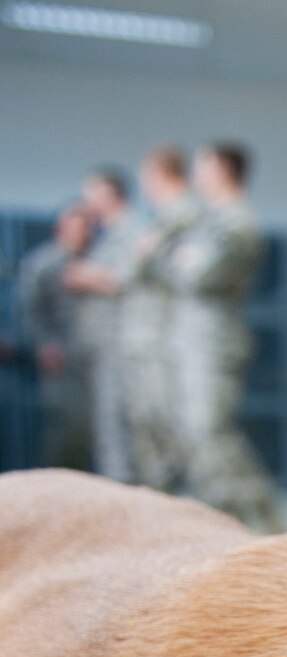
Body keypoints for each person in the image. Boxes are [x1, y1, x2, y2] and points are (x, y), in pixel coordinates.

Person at [172, 141, 280, 531]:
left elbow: (199, 276)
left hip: (214, 344)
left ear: (220, 167)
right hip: (194, 342)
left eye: (201, 165)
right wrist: (181, 261)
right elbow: (180, 268)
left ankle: (271, 525)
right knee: (197, 441)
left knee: (212, 433)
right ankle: (217, 525)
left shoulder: (237, 223)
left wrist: (181, 261)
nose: (196, 175)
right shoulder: (209, 222)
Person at [110, 145, 200, 492]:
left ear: (160, 173)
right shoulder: (162, 218)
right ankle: (157, 492)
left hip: (162, 333)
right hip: (149, 332)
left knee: (163, 422)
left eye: (146, 175)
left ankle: (170, 496)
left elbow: (135, 269)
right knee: (146, 421)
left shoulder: (181, 215)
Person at [63, 166, 145, 483]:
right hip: (101, 343)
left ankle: (123, 495)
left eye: (91, 194)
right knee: (105, 427)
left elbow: (126, 280)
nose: (87, 203)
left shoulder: (133, 228)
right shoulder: (106, 233)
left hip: (122, 343)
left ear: (110, 193)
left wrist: (86, 275)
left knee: (118, 426)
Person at [15, 204, 95, 469]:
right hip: (60, 357)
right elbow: (30, 309)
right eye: (78, 226)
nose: (84, 233)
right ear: (61, 228)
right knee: (65, 426)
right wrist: (44, 344)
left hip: (94, 356)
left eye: (87, 226)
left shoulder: (96, 260)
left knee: (95, 429)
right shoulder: (43, 263)